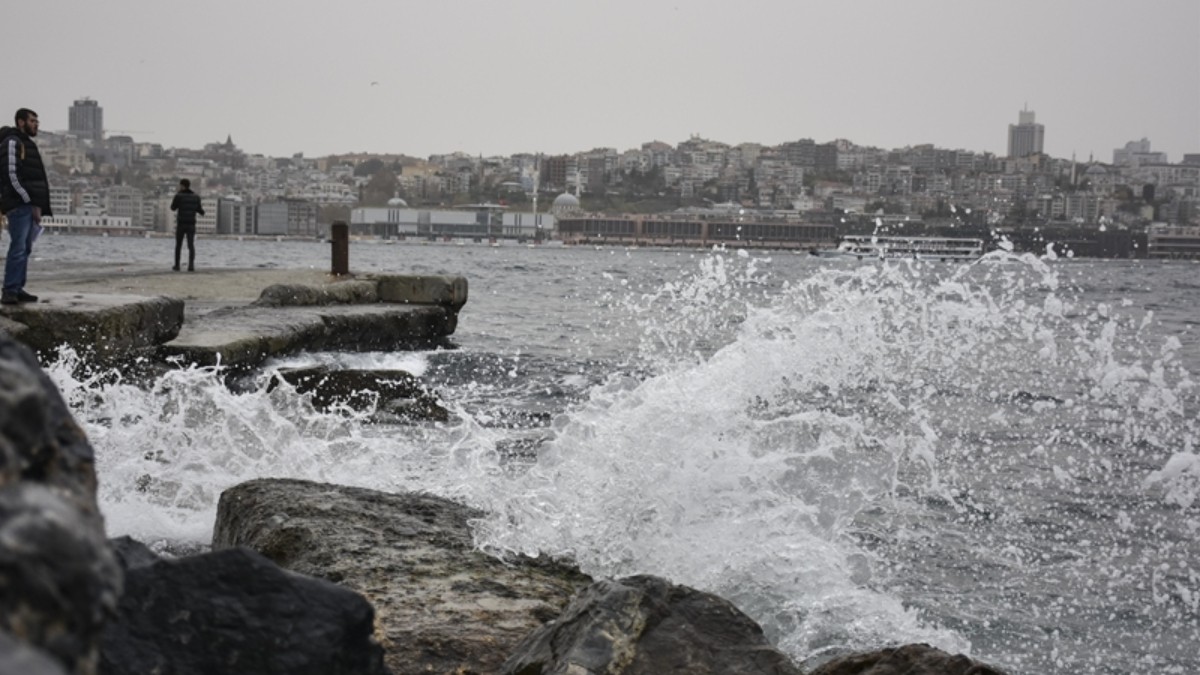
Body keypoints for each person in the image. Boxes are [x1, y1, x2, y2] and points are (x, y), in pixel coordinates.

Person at [0, 108, 52, 305]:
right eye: (32, 121)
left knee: (25, 248)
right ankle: (10, 290)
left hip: (27, 205)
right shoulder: (13, 142)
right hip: (19, 204)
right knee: (18, 247)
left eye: (37, 121)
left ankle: (17, 287)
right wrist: (26, 199)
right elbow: (11, 174)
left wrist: (36, 205)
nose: (36, 124)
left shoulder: (26, 144)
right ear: (21, 122)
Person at [169, 178, 204, 271]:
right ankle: (191, 265)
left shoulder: (178, 196)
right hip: (191, 223)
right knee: (191, 245)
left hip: (181, 223)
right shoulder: (196, 197)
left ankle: (177, 265)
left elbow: (173, 208)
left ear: (182, 186)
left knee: (178, 245)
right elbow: (200, 210)